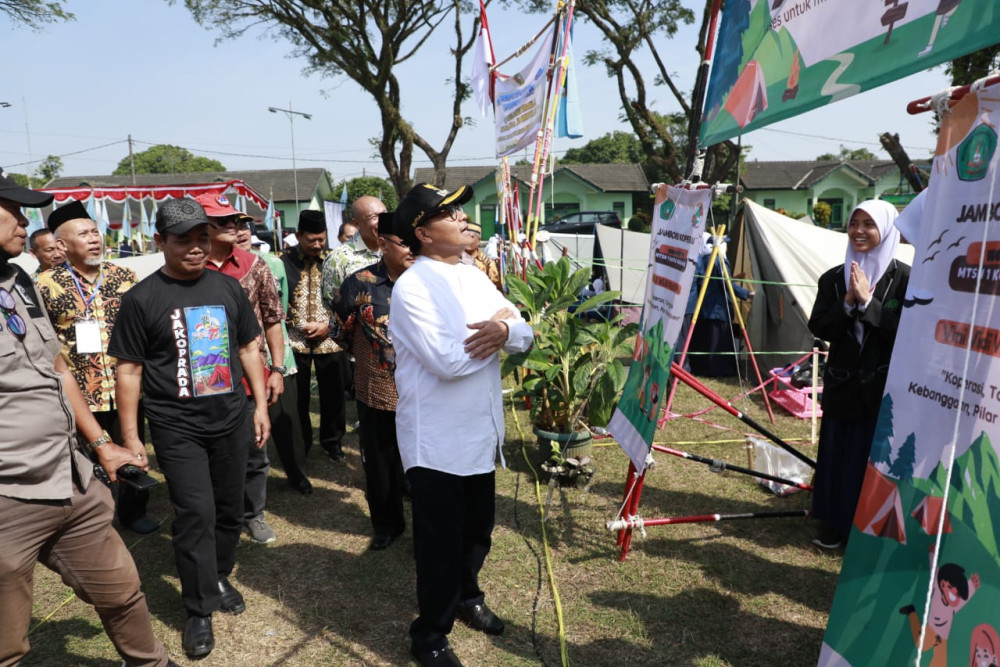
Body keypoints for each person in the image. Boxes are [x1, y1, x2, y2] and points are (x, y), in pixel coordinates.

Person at [0, 171, 175, 666]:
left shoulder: (17, 280)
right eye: (11, 209)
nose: (26, 221)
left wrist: (103, 445)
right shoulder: (45, 280)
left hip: (72, 480)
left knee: (121, 592)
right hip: (9, 497)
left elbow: (57, 367)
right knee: (7, 645)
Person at [108, 197, 270, 659]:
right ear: (160, 242)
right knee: (194, 512)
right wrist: (132, 437)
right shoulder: (141, 299)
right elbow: (130, 372)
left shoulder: (227, 288)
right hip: (176, 426)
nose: (196, 248)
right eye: (184, 240)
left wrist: (258, 405)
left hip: (231, 419)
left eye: (202, 238)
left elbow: (246, 348)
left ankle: (219, 574)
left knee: (227, 506)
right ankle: (198, 607)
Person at [389, 183, 533, 667]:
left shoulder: (473, 274)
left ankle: (467, 595)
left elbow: (524, 331)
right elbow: (448, 362)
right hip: (436, 441)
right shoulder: (412, 288)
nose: (464, 217)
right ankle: (429, 634)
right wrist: (500, 332)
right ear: (424, 233)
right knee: (440, 545)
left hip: (480, 432)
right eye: (450, 212)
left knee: (478, 531)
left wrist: (505, 328)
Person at [37, 200, 156, 535]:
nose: (93, 239)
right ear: (61, 245)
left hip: (126, 386)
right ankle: (93, 517)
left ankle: (133, 512)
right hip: (76, 392)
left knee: (132, 448)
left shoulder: (125, 276)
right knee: (83, 458)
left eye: (95, 232)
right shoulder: (45, 285)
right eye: (83, 234)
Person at [808, 199, 909, 549]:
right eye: (854, 223)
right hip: (842, 383)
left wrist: (868, 304)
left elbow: (905, 333)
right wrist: (848, 303)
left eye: (869, 224)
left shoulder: (905, 279)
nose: (859, 231)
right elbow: (820, 326)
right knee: (839, 455)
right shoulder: (834, 278)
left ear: (886, 229)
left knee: (871, 459)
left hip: (882, 387)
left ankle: (870, 532)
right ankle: (836, 525)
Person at [196, 193, 286, 543]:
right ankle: (214, 516)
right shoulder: (189, 265)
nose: (234, 226)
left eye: (237, 220)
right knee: (208, 456)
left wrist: (276, 368)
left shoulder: (254, 264)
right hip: (203, 378)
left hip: (250, 376)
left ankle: (253, 514)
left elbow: (273, 319)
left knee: (254, 451)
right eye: (223, 221)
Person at [330, 211, 412, 551]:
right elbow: (340, 330)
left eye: (415, 241)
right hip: (376, 389)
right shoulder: (360, 282)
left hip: (423, 392)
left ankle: (426, 527)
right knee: (379, 463)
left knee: (419, 464)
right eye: (402, 242)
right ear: (383, 244)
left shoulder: (426, 281)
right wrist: (370, 358)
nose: (411, 249)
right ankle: (386, 525)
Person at [239, 221, 312, 495]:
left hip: (275, 357)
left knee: (286, 420)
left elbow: (277, 315)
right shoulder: (210, 271)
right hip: (237, 362)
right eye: (232, 227)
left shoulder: (271, 263)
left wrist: (279, 364)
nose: (241, 232)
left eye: (244, 226)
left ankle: (297, 473)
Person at [283, 210, 346, 460]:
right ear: (298, 235)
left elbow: (345, 302)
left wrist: (327, 325)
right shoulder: (283, 261)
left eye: (322, 239)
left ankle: (332, 442)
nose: (317, 245)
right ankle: (302, 443)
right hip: (294, 342)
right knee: (298, 398)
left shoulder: (333, 261)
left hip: (330, 339)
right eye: (312, 240)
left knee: (334, 396)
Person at [686, 234, 753, 377]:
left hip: (703, 308)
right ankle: (718, 370)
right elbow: (726, 283)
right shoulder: (719, 260)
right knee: (718, 342)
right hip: (718, 308)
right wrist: (747, 293)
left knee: (704, 340)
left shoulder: (702, 259)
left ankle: (701, 368)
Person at [460, 220, 502, 291]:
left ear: (479, 240)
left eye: (471, 237)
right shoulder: (456, 259)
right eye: (464, 237)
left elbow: (496, 287)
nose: (467, 240)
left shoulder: (487, 262)